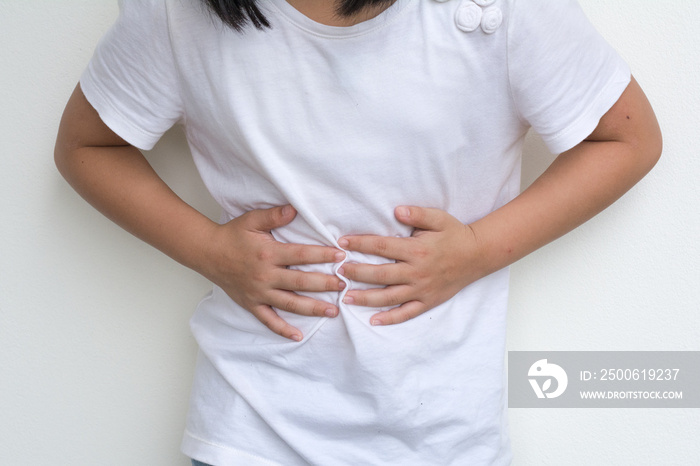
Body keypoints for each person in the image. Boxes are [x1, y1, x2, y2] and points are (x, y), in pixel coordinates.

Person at [54, 0, 662, 464]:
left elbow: (627, 138)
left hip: (440, 431)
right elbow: (87, 145)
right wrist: (208, 250)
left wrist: (475, 251)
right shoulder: (178, 13)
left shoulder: (497, 12)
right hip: (250, 425)